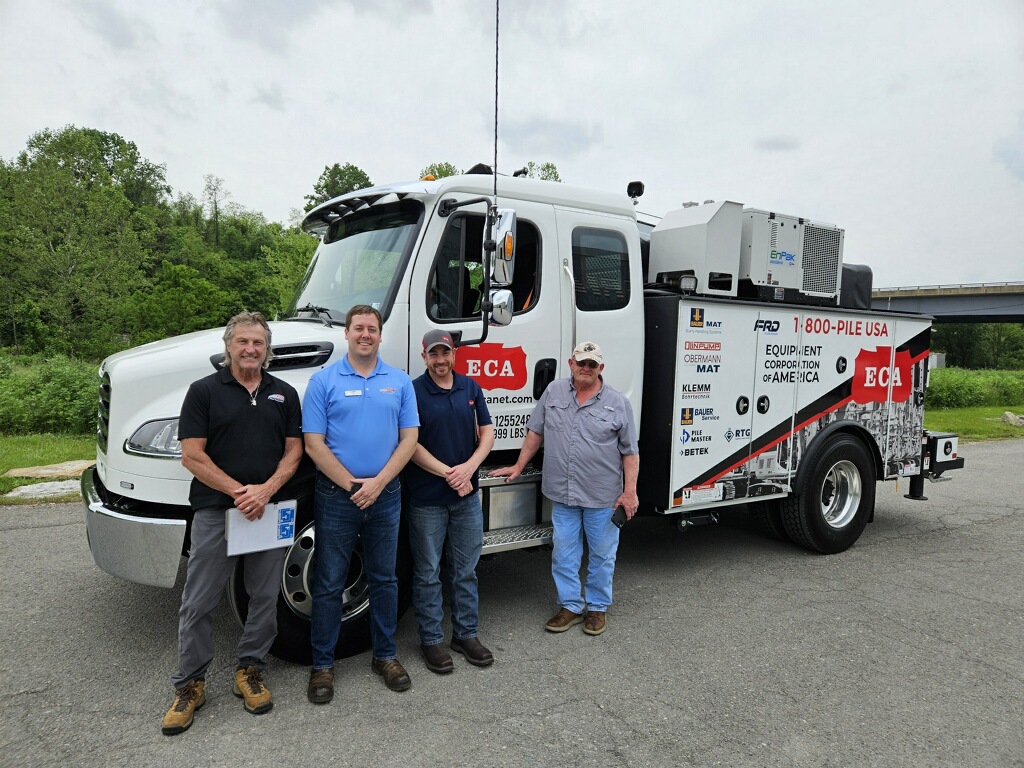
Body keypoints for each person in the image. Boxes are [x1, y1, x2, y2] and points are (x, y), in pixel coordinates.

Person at [162, 311, 304, 736]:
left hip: (269, 510)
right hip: (216, 511)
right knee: (198, 600)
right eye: (242, 342)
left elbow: (294, 452)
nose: (250, 349)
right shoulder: (203, 392)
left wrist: (266, 490)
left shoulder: (284, 393)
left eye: (258, 343)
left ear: (267, 348)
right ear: (228, 346)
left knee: (263, 594)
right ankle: (190, 684)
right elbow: (192, 455)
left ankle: (251, 669)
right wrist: (241, 492)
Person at [302, 305, 419, 703]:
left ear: (380, 336)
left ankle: (385, 656)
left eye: (372, 328)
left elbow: (409, 439)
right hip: (337, 496)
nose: (365, 334)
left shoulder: (399, 382)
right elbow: (313, 443)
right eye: (358, 328)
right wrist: (353, 485)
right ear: (347, 334)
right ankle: (323, 665)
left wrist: (379, 482)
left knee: (385, 579)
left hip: (385, 496)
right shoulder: (324, 381)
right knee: (330, 581)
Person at [491, 341, 639, 636]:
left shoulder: (618, 402)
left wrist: (630, 492)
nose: (586, 368)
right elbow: (536, 431)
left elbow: (630, 452)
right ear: (571, 363)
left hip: (602, 496)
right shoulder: (554, 392)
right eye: (581, 362)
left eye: (592, 365)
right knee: (563, 552)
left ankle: (597, 608)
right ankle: (571, 606)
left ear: (601, 369)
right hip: (563, 493)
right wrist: (519, 465)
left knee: (601, 554)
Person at [404, 330, 496, 673]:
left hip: (466, 497)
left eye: (445, 353)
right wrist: (449, 473)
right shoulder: (412, 391)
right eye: (434, 354)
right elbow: (409, 444)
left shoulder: (470, 388)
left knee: (465, 570)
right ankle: (431, 640)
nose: (440, 360)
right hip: (427, 498)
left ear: (454, 354)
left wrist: (470, 468)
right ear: (424, 356)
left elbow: (486, 432)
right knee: (427, 572)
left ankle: (465, 635)